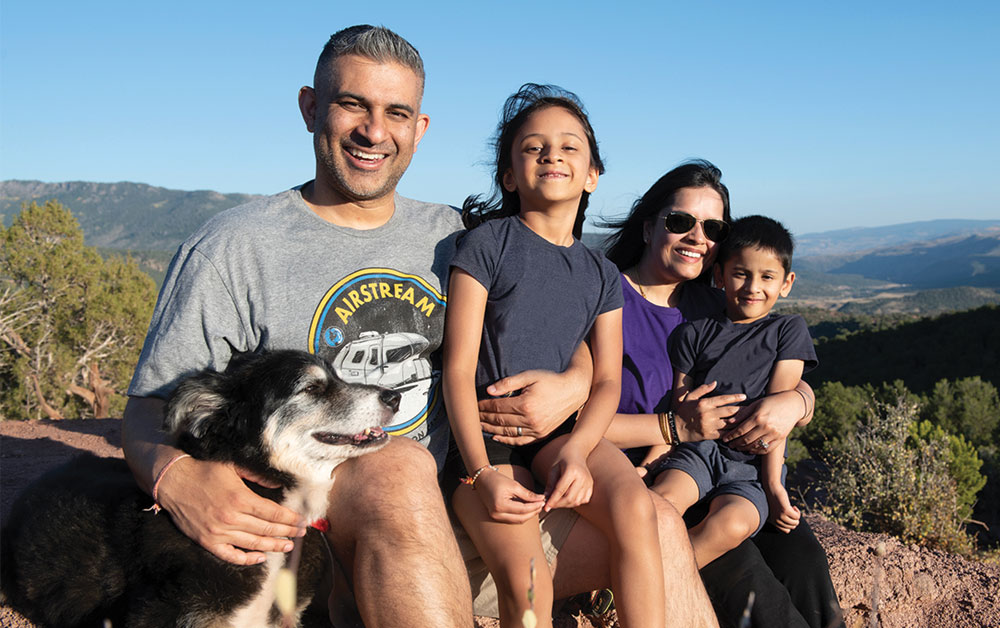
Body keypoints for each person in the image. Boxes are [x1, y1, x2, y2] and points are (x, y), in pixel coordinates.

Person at [122, 25, 717, 627]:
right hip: (331, 524)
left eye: (396, 113)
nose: (374, 132)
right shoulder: (235, 248)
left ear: (419, 128)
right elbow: (150, 405)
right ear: (309, 108)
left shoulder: (459, 235)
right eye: (352, 104)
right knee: (397, 468)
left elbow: (560, 309)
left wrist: (574, 381)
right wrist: (175, 477)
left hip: (468, 512)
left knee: (660, 525)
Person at [443, 84, 664, 628]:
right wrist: (478, 473)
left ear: (592, 175)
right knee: (530, 583)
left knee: (638, 510)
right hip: (487, 446)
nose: (552, 154)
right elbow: (457, 366)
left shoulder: (601, 274)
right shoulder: (488, 245)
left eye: (570, 147)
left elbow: (607, 380)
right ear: (509, 176)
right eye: (533, 146)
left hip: (562, 436)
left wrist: (580, 452)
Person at [598, 160, 845, 628]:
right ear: (649, 226)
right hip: (652, 473)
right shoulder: (607, 298)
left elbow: (773, 364)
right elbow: (580, 420)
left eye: (712, 227)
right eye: (679, 222)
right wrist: (673, 428)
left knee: (805, 564)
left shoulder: (719, 301)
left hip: (736, 469)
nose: (697, 236)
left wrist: (796, 402)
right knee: (757, 594)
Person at [649, 215, 817, 569]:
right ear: (720, 276)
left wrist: (773, 485)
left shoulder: (788, 331)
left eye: (767, 277)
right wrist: (651, 462)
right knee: (661, 502)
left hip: (752, 468)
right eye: (741, 273)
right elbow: (679, 407)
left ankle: (665, 578)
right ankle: (630, 571)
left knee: (733, 525)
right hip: (698, 452)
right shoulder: (693, 335)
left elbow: (778, 419)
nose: (753, 287)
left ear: (787, 283)